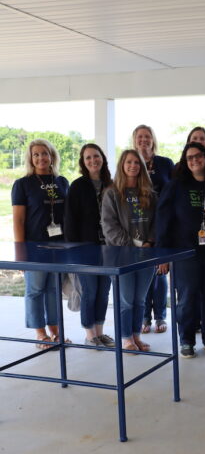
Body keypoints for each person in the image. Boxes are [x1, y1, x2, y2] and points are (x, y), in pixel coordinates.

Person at [157, 142, 205, 358]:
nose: (194, 160)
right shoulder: (175, 186)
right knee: (186, 299)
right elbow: (163, 221)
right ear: (185, 161)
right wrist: (163, 255)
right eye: (189, 157)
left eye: (198, 156)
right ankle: (186, 340)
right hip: (184, 253)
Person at [12, 139, 70, 349]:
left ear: (52, 156)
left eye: (44, 153)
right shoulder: (23, 184)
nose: (40, 158)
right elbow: (18, 220)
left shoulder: (61, 182)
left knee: (53, 289)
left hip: (60, 246)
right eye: (35, 154)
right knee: (35, 289)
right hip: (34, 246)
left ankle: (56, 332)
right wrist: (20, 251)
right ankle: (40, 333)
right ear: (30, 158)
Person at [101, 150, 157, 352]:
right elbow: (109, 226)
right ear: (122, 165)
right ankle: (125, 338)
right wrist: (132, 247)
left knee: (140, 299)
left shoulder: (149, 193)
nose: (133, 166)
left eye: (137, 163)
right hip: (121, 256)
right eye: (129, 162)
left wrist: (150, 241)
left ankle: (136, 336)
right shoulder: (112, 193)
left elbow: (155, 222)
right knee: (125, 300)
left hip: (146, 255)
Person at [64, 143, 115, 348]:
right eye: (88, 158)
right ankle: (89, 334)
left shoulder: (110, 184)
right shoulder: (77, 186)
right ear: (83, 163)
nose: (93, 160)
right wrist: (74, 250)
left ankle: (100, 332)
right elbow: (70, 220)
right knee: (90, 291)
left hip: (109, 248)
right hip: (85, 249)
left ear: (102, 158)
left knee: (104, 292)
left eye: (96, 156)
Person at [132, 125, 173, 335]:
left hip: (162, 224)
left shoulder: (165, 163)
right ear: (134, 140)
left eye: (147, 136)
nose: (143, 140)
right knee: (142, 273)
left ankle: (160, 316)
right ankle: (145, 317)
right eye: (140, 137)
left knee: (160, 273)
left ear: (153, 140)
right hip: (138, 226)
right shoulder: (131, 163)